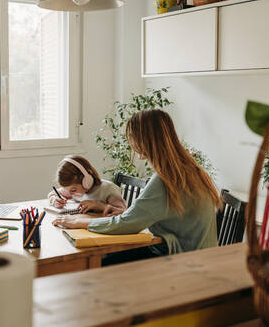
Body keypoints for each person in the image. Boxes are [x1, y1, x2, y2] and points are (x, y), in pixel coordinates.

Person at [52, 110, 221, 260]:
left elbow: (127, 225)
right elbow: (158, 214)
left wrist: (80, 222)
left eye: (133, 140)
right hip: (203, 257)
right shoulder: (192, 170)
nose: (132, 147)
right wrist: (126, 214)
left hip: (183, 261)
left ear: (144, 141)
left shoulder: (165, 180)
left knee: (102, 261)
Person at [48, 156, 127, 216]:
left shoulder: (108, 190)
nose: (70, 194)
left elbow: (124, 213)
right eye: (68, 190)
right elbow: (53, 193)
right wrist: (55, 199)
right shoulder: (74, 190)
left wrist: (99, 206)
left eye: (73, 190)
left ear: (86, 181)